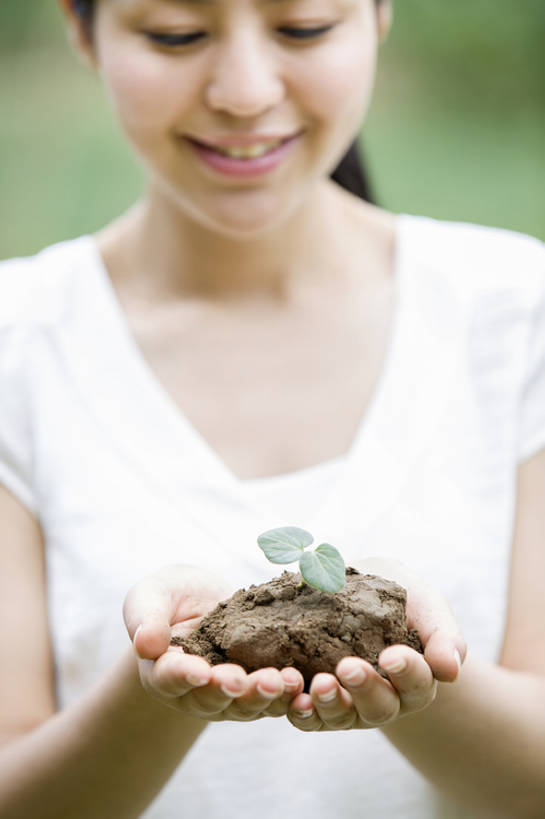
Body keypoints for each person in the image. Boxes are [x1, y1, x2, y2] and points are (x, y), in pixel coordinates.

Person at [0, 0, 544, 816]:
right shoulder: (20, 342)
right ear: (82, 32)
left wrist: (409, 657)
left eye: (305, 29)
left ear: (378, 16)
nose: (246, 92)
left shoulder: (516, 313)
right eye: (176, 35)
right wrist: (158, 684)